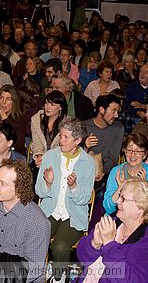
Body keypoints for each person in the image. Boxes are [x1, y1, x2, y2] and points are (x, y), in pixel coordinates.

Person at [76, 179, 148, 282]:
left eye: (123, 198)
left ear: (141, 207)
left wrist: (109, 244)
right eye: (119, 196)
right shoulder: (113, 223)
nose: (117, 201)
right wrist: (94, 244)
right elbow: (82, 258)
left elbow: (129, 279)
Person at [35, 117, 95, 282]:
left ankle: (58, 277)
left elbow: (83, 199)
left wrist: (74, 186)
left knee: (60, 247)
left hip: (73, 214)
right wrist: (48, 182)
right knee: (35, 236)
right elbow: (39, 191)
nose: (60, 140)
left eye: (65, 137)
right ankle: (37, 273)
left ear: (77, 140)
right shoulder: (50, 156)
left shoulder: (88, 163)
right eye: (60, 135)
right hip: (50, 210)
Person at [103, 133, 148, 215]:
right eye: (129, 150)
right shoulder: (116, 171)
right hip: (116, 215)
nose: (132, 154)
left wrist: (143, 188)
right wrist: (120, 188)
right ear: (124, 151)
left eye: (138, 151)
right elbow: (108, 207)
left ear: (145, 154)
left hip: (141, 219)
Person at [84, 92, 125, 177]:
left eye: (118, 111)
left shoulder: (118, 128)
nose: (116, 115)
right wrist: (85, 147)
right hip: (83, 172)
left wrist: (102, 172)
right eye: (113, 111)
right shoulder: (84, 126)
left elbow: (113, 157)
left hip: (105, 174)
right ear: (102, 110)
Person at [30, 90, 68, 179]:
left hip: (58, 161)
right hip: (39, 159)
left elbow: (63, 148)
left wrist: (47, 160)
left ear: (61, 107)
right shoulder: (36, 119)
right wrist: (39, 156)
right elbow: (36, 142)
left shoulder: (67, 124)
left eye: (52, 105)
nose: (48, 107)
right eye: (46, 103)